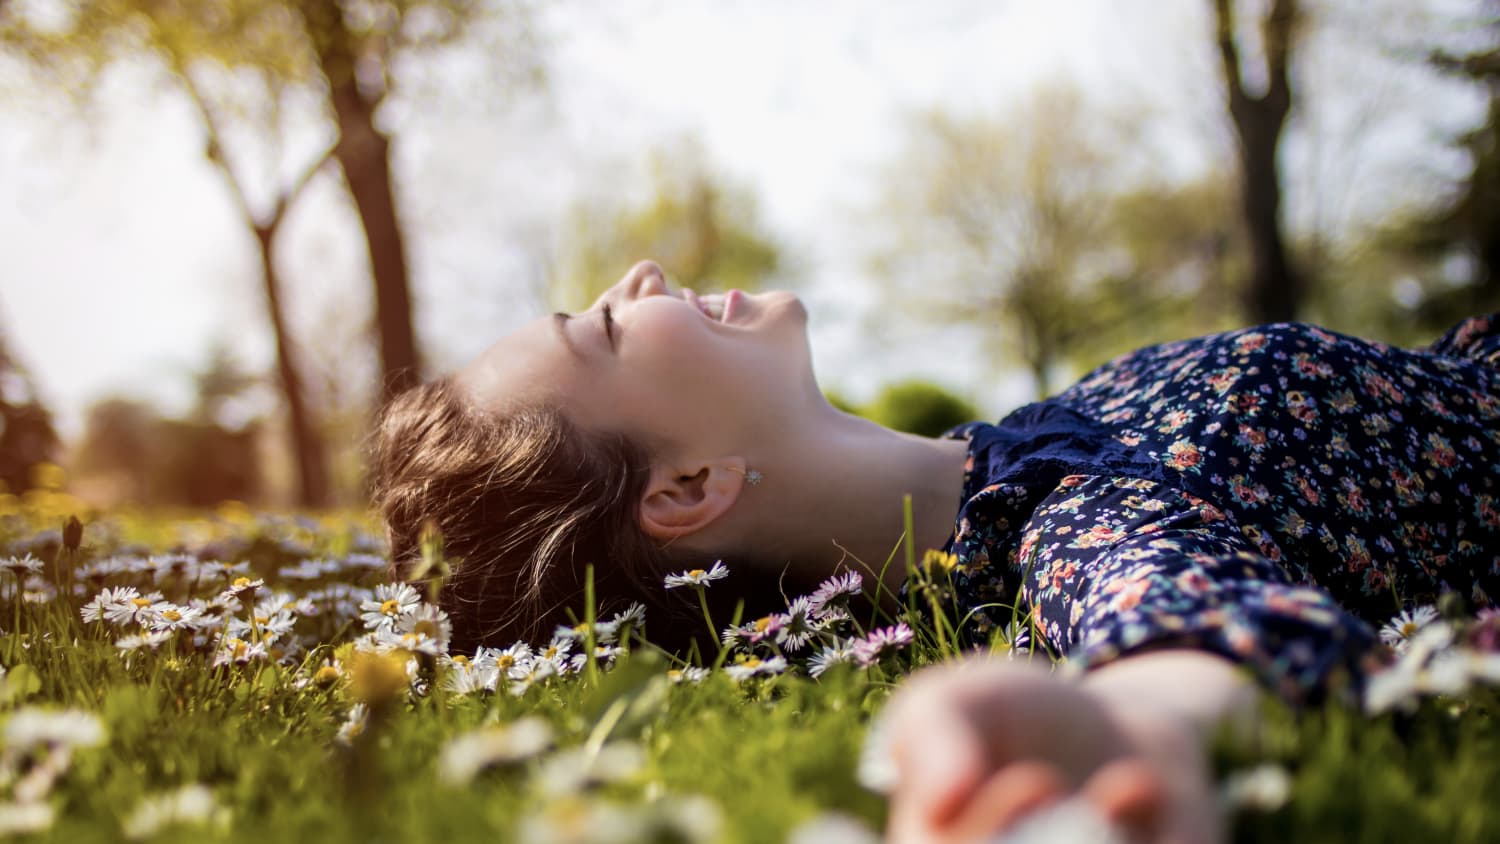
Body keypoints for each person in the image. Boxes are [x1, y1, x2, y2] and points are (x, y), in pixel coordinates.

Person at [368, 260, 1500, 843]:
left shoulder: (1022, 444)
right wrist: (1120, 737)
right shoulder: (1069, 527)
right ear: (686, 489)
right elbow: (1188, 631)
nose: (641, 278)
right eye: (605, 328)